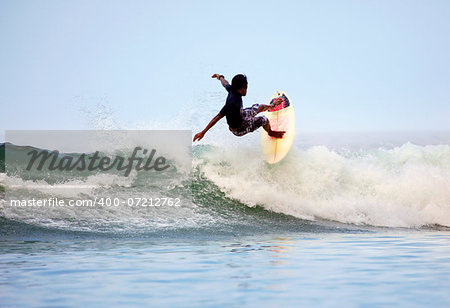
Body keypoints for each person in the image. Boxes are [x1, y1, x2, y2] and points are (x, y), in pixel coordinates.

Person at [193, 74, 285, 142]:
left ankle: (272, 106)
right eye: (246, 88)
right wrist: (203, 132)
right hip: (240, 128)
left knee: (257, 107)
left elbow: (225, 83)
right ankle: (271, 132)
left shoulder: (231, 89)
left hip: (242, 115)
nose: (246, 90)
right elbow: (217, 117)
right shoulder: (233, 102)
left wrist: (220, 76)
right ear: (241, 89)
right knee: (263, 119)